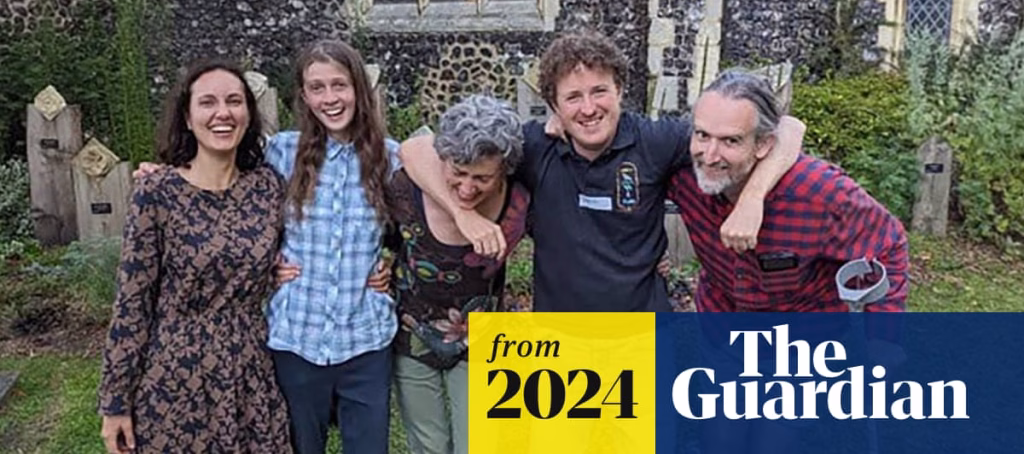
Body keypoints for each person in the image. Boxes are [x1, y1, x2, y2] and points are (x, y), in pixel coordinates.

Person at [400, 31, 806, 312]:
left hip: (643, 335)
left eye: (599, 92)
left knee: (653, 420)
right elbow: (415, 149)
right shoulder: (534, 145)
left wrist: (752, 199)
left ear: (620, 91)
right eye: (573, 97)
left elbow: (789, 128)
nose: (589, 108)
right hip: (560, 342)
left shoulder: (654, 141)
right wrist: (463, 214)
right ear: (554, 105)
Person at [98, 58, 292, 453]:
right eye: (207, 102)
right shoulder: (157, 192)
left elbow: (304, 242)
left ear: (248, 115)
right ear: (187, 118)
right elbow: (132, 302)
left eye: (234, 101)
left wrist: (381, 265)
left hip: (249, 368)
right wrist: (115, 402)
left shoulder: (268, 187)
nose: (223, 113)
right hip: (176, 375)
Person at [668, 69, 908, 312]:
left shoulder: (818, 192)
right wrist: (650, 251)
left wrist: (880, 331)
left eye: (731, 141)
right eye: (702, 135)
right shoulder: (683, 174)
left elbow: (888, 245)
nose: (710, 156)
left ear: (763, 144)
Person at [265, 40, 399, 454]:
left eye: (339, 85)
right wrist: (263, 264)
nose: (330, 98)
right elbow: (224, 193)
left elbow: (424, 223)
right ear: (304, 96)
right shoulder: (280, 152)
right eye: (317, 87)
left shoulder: (391, 158)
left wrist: (394, 264)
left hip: (365, 339)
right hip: (297, 336)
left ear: (358, 89)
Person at [386, 94, 530, 454]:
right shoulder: (405, 188)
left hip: (481, 339)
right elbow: (375, 238)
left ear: (504, 170)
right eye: (458, 173)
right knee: (429, 446)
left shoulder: (519, 200)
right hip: (412, 337)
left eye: (483, 178)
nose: (467, 188)